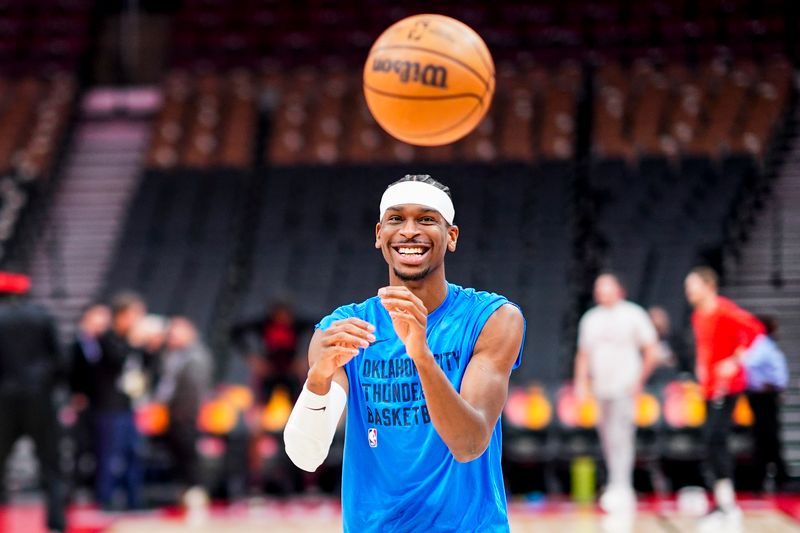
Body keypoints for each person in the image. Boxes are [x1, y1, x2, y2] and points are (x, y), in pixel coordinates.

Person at [283, 175, 525, 532]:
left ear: (452, 236)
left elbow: (470, 444)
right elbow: (306, 456)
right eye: (397, 219)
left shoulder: (492, 318)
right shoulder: (344, 327)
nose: (409, 231)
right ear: (379, 234)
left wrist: (421, 355)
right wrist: (316, 380)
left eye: (426, 219)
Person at [684, 266, 765, 528]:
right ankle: (721, 501)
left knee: (715, 438)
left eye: (692, 286)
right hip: (708, 388)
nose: (688, 292)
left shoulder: (724, 310)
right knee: (710, 443)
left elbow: (756, 330)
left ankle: (727, 504)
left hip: (726, 386)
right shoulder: (698, 315)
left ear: (708, 285)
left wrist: (733, 361)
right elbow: (704, 347)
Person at [573, 273, 659, 515]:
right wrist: (581, 384)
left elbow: (652, 349)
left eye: (606, 287)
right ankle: (614, 483)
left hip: (625, 386)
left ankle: (623, 486)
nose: (601, 292)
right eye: (598, 287)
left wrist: (639, 380)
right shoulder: (591, 319)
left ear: (619, 289)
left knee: (622, 435)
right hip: (601, 387)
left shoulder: (633, 314)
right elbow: (583, 355)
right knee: (607, 436)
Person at [0, 273, 67, 533]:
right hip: (41, 400)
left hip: (3, 401)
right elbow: (60, 361)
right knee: (51, 464)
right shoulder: (42, 316)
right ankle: (56, 523)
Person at [93, 291, 147, 510]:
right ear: (122, 315)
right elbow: (117, 362)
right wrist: (134, 343)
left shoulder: (130, 341)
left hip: (129, 405)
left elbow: (145, 367)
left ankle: (134, 498)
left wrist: (147, 346)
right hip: (109, 406)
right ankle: (106, 498)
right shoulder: (106, 338)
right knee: (109, 455)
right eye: (135, 315)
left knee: (134, 452)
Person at [154, 317, 212, 504]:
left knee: (189, 454)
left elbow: (195, 389)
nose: (171, 337)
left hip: (186, 414)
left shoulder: (195, 356)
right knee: (178, 455)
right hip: (174, 413)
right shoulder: (173, 355)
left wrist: (186, 412)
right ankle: (186, 489)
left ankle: (196, 490)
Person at [67, 303, 111, 491]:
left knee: (100, 447)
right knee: (79, 446)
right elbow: (70, 371)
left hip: (103, 402)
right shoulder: (76, 345)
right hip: (82, 402)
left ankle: (96, 486)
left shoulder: (107, 343)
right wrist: (76, 395)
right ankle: (75, 486)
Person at [744, 315, 789, 492]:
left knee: (769, 438)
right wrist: (762, 384)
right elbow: (749, 363)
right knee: (766, 437)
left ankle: (775, 477)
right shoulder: (761, 344)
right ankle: (768, 478)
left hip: (769, 396)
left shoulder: (766, 344)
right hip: (763, 397)